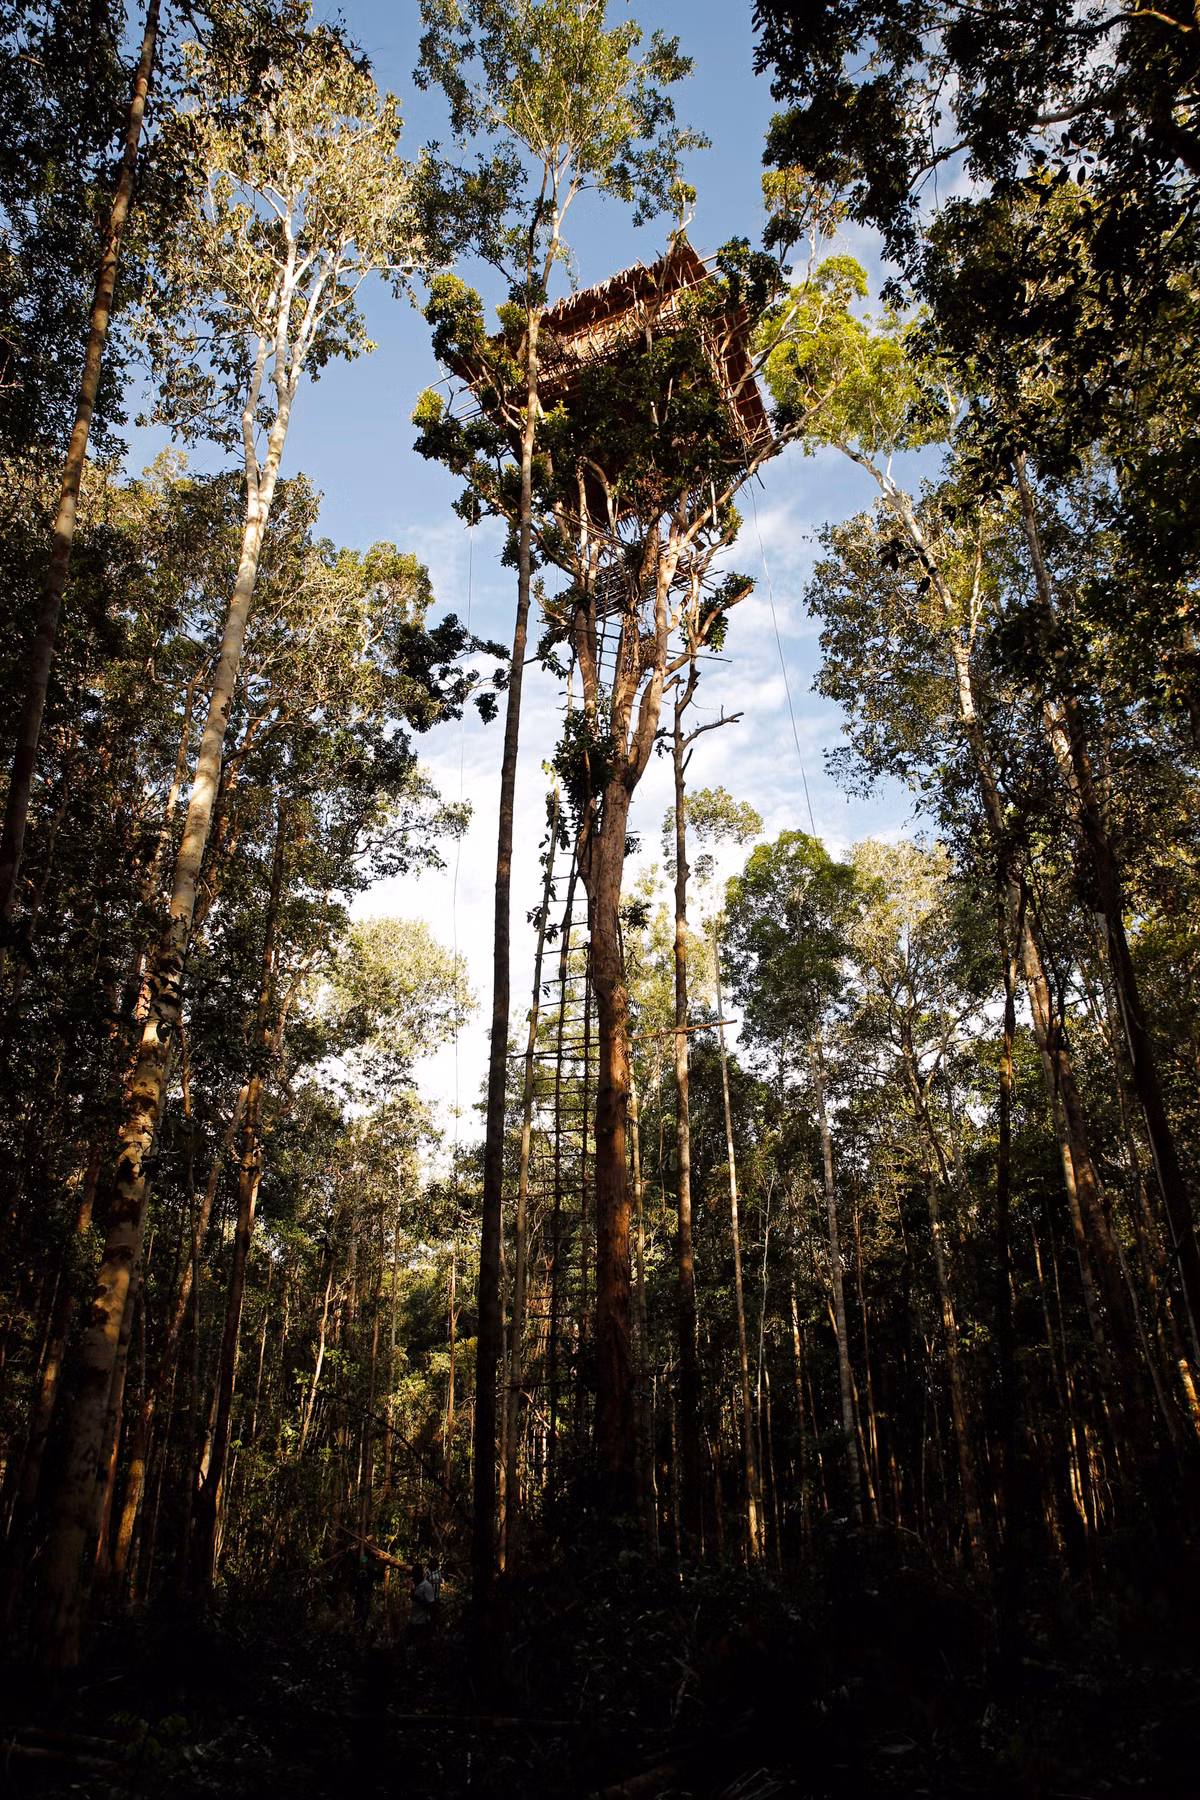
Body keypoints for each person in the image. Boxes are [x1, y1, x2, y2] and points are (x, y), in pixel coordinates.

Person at [407, 1559, 437, 1648]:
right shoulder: (416, 1585)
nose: (413, 1577)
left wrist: (418, 1599)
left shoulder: (427, 1586)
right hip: (413, 1622)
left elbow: (432, 1607)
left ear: (420, 1574)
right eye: (413, 1574)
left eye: (415, 1574)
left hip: (421, 1624)